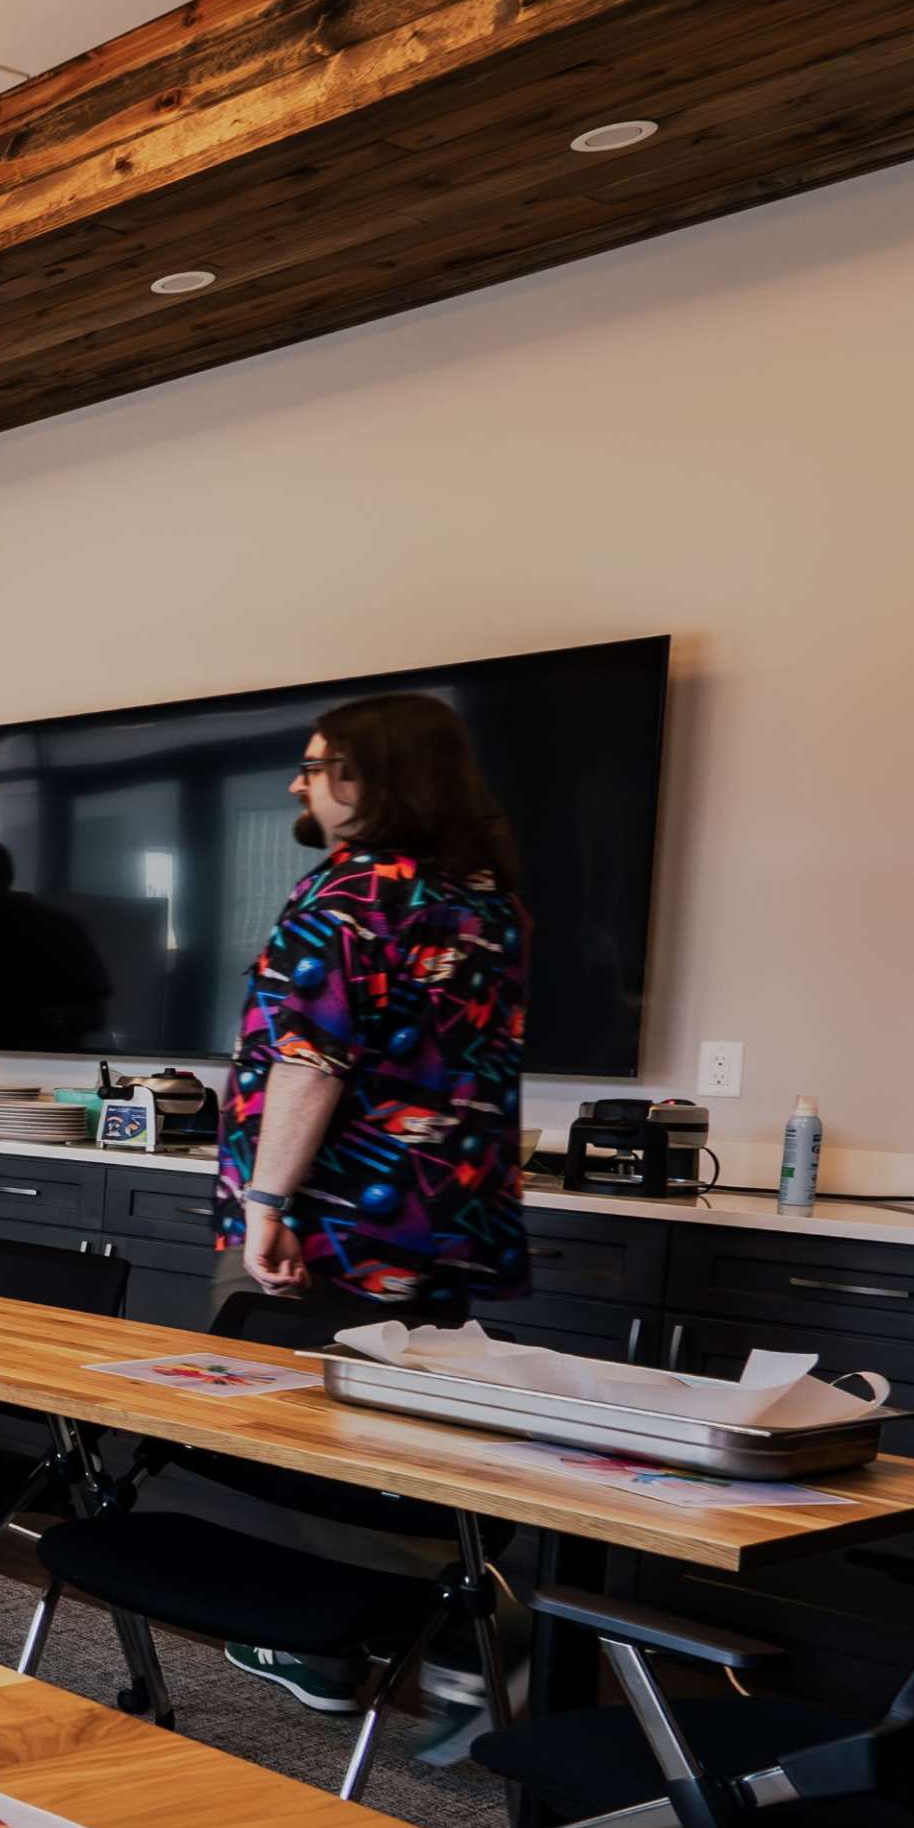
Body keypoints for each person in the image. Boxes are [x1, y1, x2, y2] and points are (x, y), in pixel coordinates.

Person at [218, 691, 531, 1726]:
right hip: (443, 1219)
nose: (298, 784)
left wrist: (267, 1200)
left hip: (335, 1220)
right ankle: (455, 1629)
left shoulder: (354, 890)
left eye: (318, 765)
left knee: (288, 1429)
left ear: (375, 777)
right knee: (411, 1428)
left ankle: (350, 1642)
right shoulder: (487, 898)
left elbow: (311, 1058)